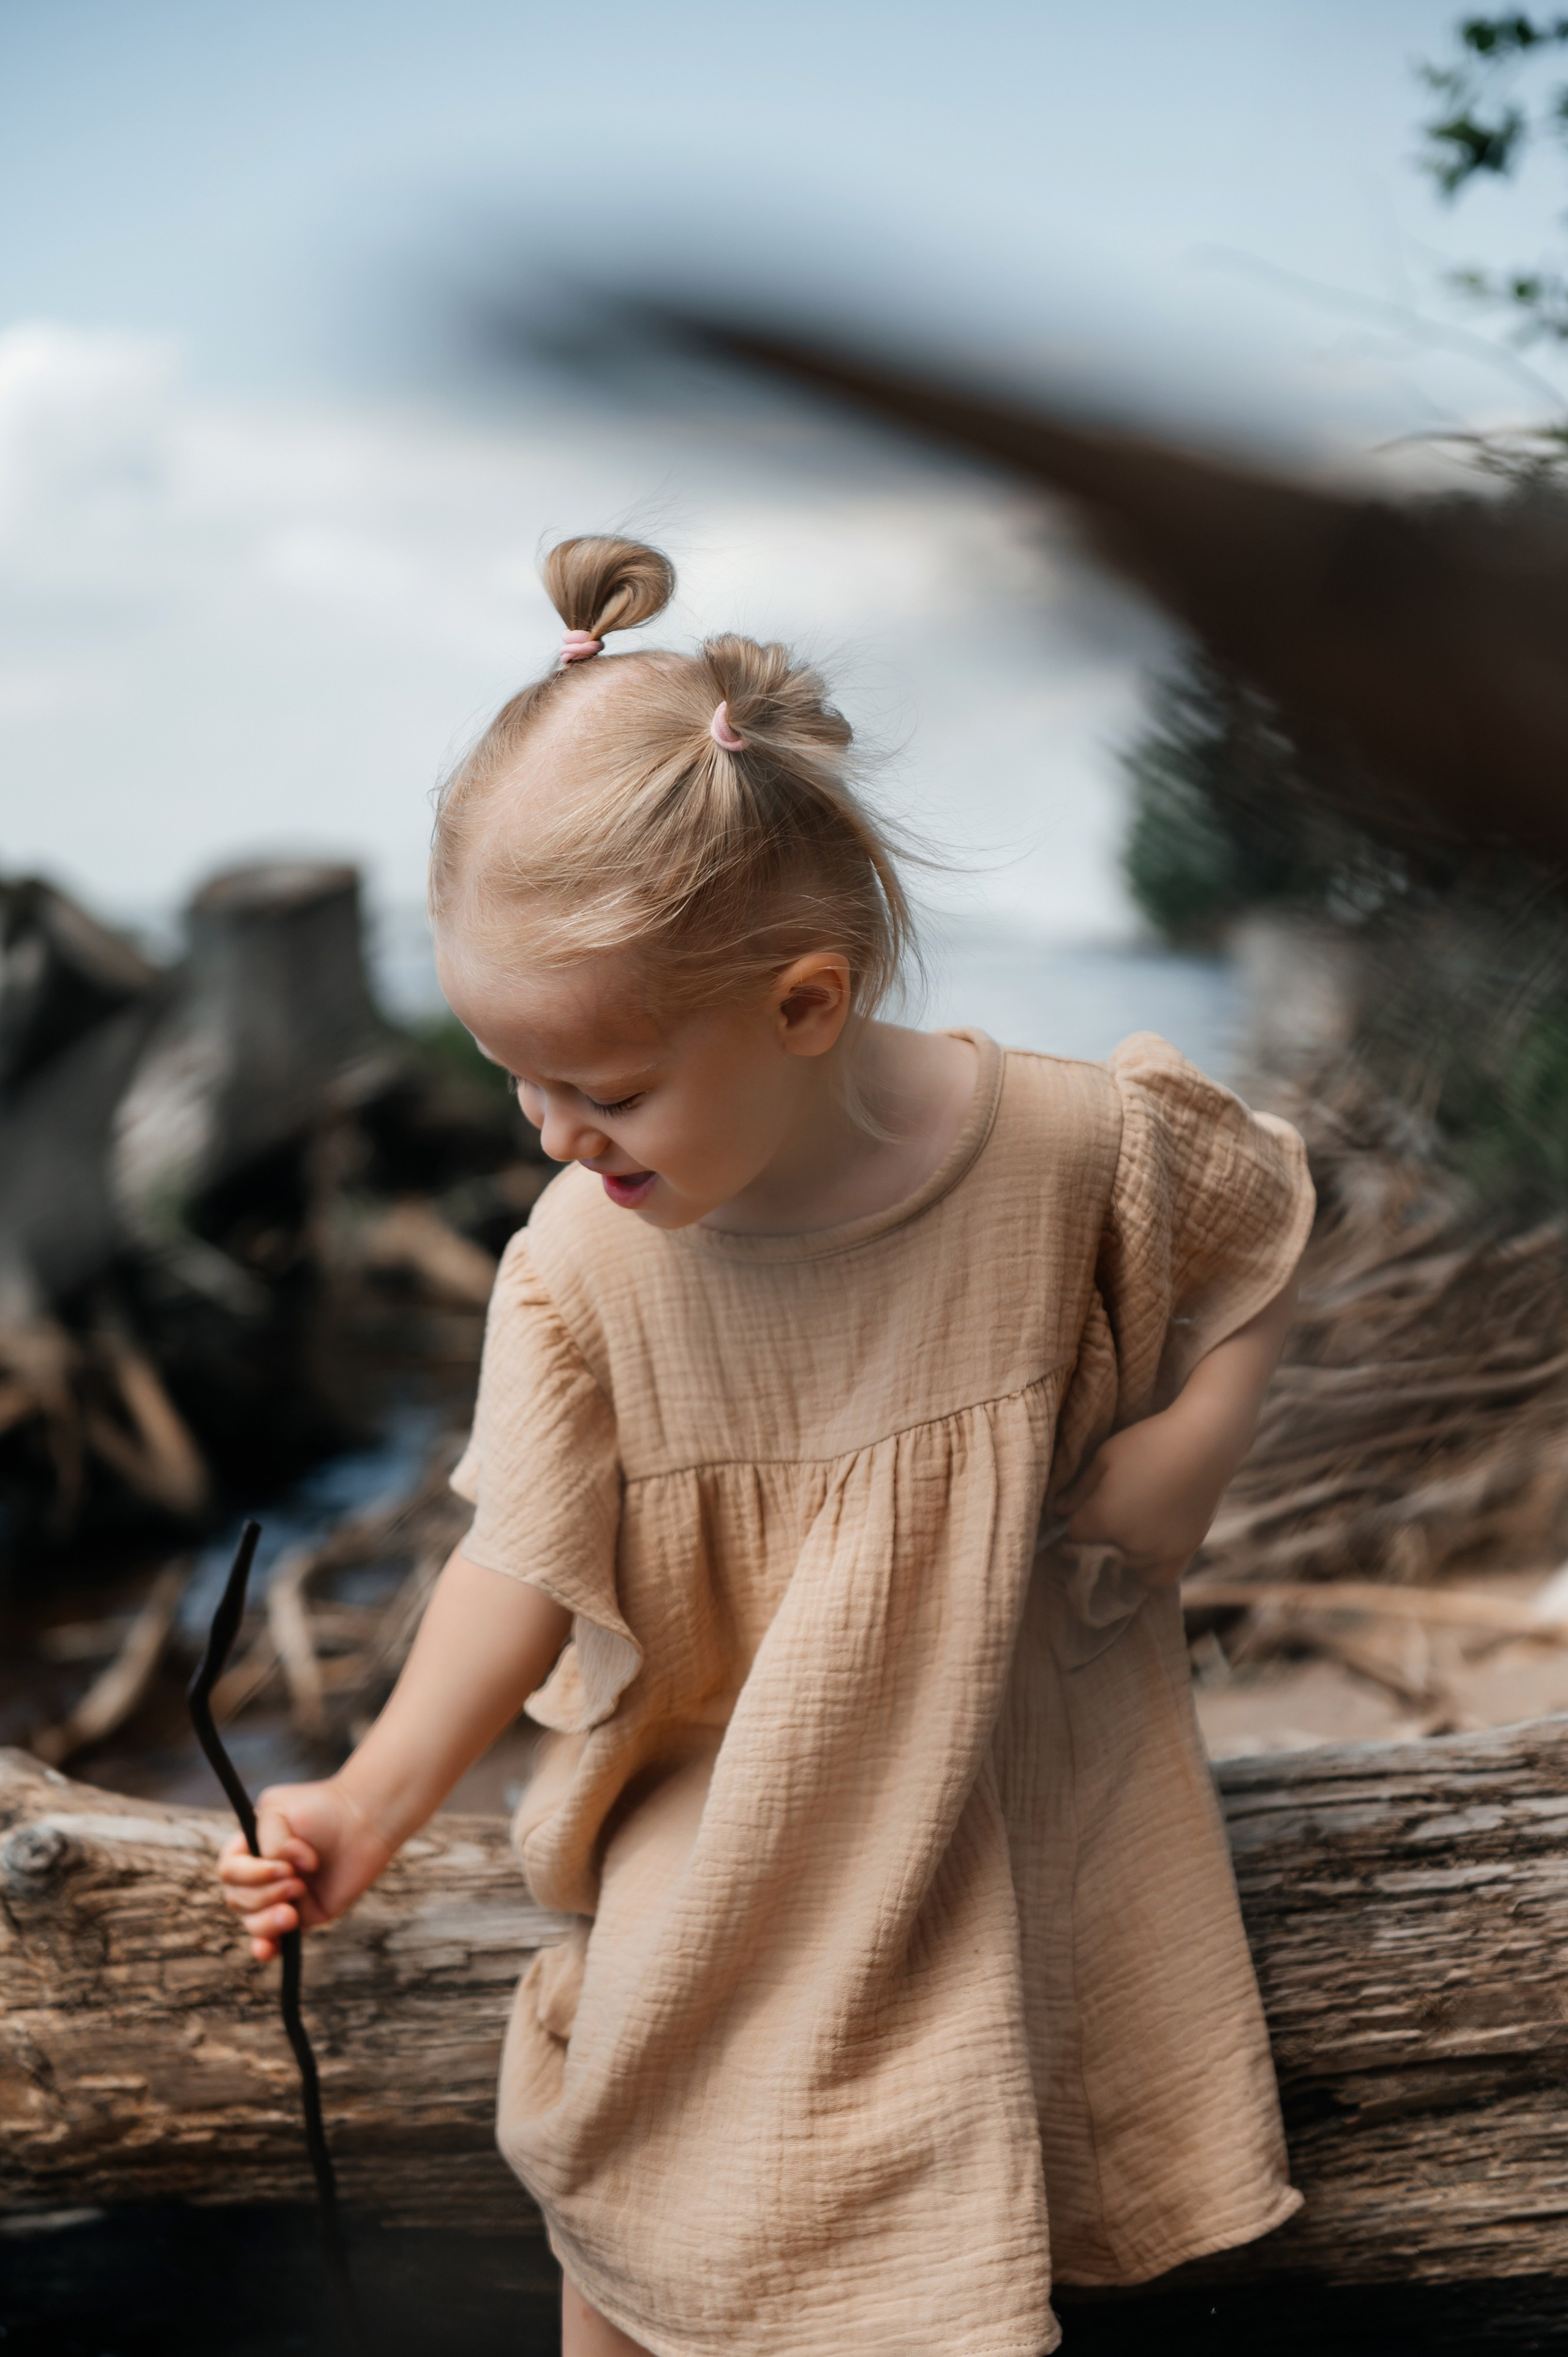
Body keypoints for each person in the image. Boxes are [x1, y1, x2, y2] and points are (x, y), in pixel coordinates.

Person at [219, 535, 1314, 2357]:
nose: (555, 1136)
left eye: (608, 1087)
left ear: (804, 1004)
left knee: (937, 2269)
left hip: (1010, 1823)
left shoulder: (1059, 1158)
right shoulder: (582, 1270)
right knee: (650, 2236)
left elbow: (1267, 1207)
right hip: (725, 1859)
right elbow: (520, 1554)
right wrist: (366, 1800)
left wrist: (1188, 1460)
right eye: (516, 1079)